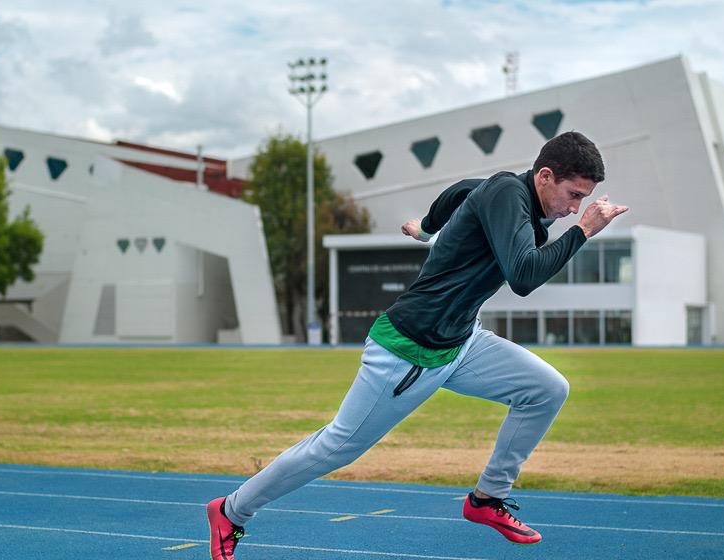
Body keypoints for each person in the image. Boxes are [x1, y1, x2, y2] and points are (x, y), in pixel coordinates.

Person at [206, 131, 627, 559]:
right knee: (337, 446)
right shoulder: (508, 194)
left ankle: (486, 500)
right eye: (573, 195)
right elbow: (522, 277)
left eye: (583, 200)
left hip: (462, 343)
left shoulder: (512, 195)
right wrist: (584, 231)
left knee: (547, 389)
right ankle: (232, 510)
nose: (575, 208)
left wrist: (426, 227)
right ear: (545, 176)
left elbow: (461, 191)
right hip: (409, 350)